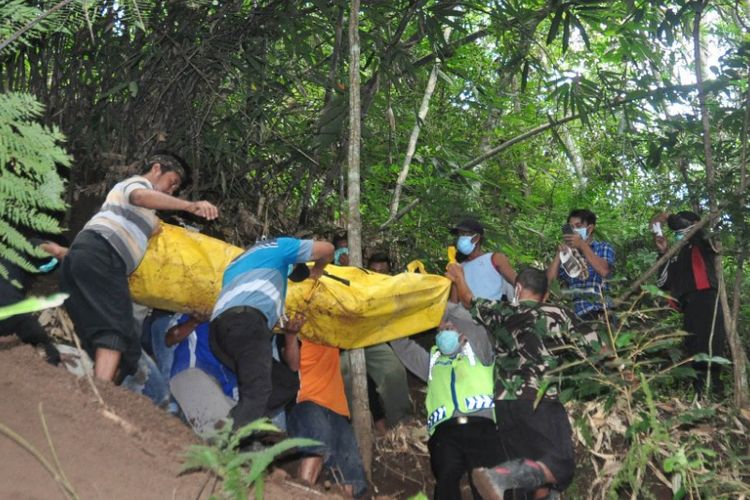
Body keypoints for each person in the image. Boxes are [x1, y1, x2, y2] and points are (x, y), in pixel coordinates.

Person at [61, 151, 219, 382]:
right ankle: (99, 397)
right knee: (116, 332)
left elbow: (153, 224)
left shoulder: (144, 214)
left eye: (175, 189)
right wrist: (190, 206)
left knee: (122, 346)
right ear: (156, 169)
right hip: (103, 254)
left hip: (90, 258)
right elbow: (140, 197)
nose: (171, 190)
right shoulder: (135, 184)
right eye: (171, 182)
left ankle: (84, 385)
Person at [449, 266, 584, 499]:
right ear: (546, 295)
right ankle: (499, 478)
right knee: (560, 465)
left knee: (533, 473)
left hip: (504, 407)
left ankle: (509, 479)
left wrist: (459, 277)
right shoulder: (557, 313)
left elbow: (468, 300)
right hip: (539, 400)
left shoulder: (500, 310)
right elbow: (599, 347)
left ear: (518, 288)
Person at [209, 236, 333, 431]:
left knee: (285, 383)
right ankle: (225, 445)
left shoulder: (237, 263)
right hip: (247, 323)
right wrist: (318, 270)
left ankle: (238, 425)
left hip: (219, 333)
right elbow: (327, 249)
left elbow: (295, 273)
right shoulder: (280, 247)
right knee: (258, 391)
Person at [391, 303, 500, 500]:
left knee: (485, 482)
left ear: (461, 331)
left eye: (448, 328)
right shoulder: (432, 362)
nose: (443, 333)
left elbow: (468, 321)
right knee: (446, 478)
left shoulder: (480, 350)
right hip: (445, 434)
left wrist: (436, 302)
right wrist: (399, 311)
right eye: (439, 330)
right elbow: (401, 344)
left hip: (481, 428)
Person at [652, 210, 726, 396]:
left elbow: (690, 228)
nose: (679, 229)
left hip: (706, 297)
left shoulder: (702, 240)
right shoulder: (677, 252)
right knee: (694, 347)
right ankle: (702, 392)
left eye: (685, 223)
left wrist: (668, 218)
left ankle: (714, 392)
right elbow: (663, 282)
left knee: (709, 344)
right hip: (688, 305)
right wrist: (664, 254)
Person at [287, 331, 368, 497]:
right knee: (316, 447)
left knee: (350, 478)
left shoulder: (329, 327)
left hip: (338, 411)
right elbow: (292, 364)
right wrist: (290, 334)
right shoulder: (295, 325)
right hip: (307, 401)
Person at [340, 252, 412, 431]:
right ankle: (353, 428)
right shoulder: (354, 281)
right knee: (345, 374)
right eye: (373, 271)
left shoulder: (394, 290)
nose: (378, 275)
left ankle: (401, 423)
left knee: (392, 371)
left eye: (383, 271)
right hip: (345, 340)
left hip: (373, 340)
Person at [0, 235, 67, 365]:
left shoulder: (20, 268)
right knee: (38, 338)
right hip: (6, 304)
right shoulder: (29, 246)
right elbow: (55, 250)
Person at [547, 209, 615, 320]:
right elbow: (549, 283)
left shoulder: (603, 247)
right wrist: (559, 254)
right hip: (574, 316)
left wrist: (582, 245)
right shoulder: (568, 255)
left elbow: (605, 271)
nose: (574, 230)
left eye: (578, 226)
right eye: (571, 227)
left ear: (590, 229)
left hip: (600, 311)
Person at [449, 216, 516, 303]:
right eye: (459, 235)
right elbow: (454, 303)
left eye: (464, 234)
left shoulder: (495, 259)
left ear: (476, 238)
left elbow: (518, 284)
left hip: (490, 312)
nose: (460, 238)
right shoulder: (459, 267)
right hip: (465, 314)